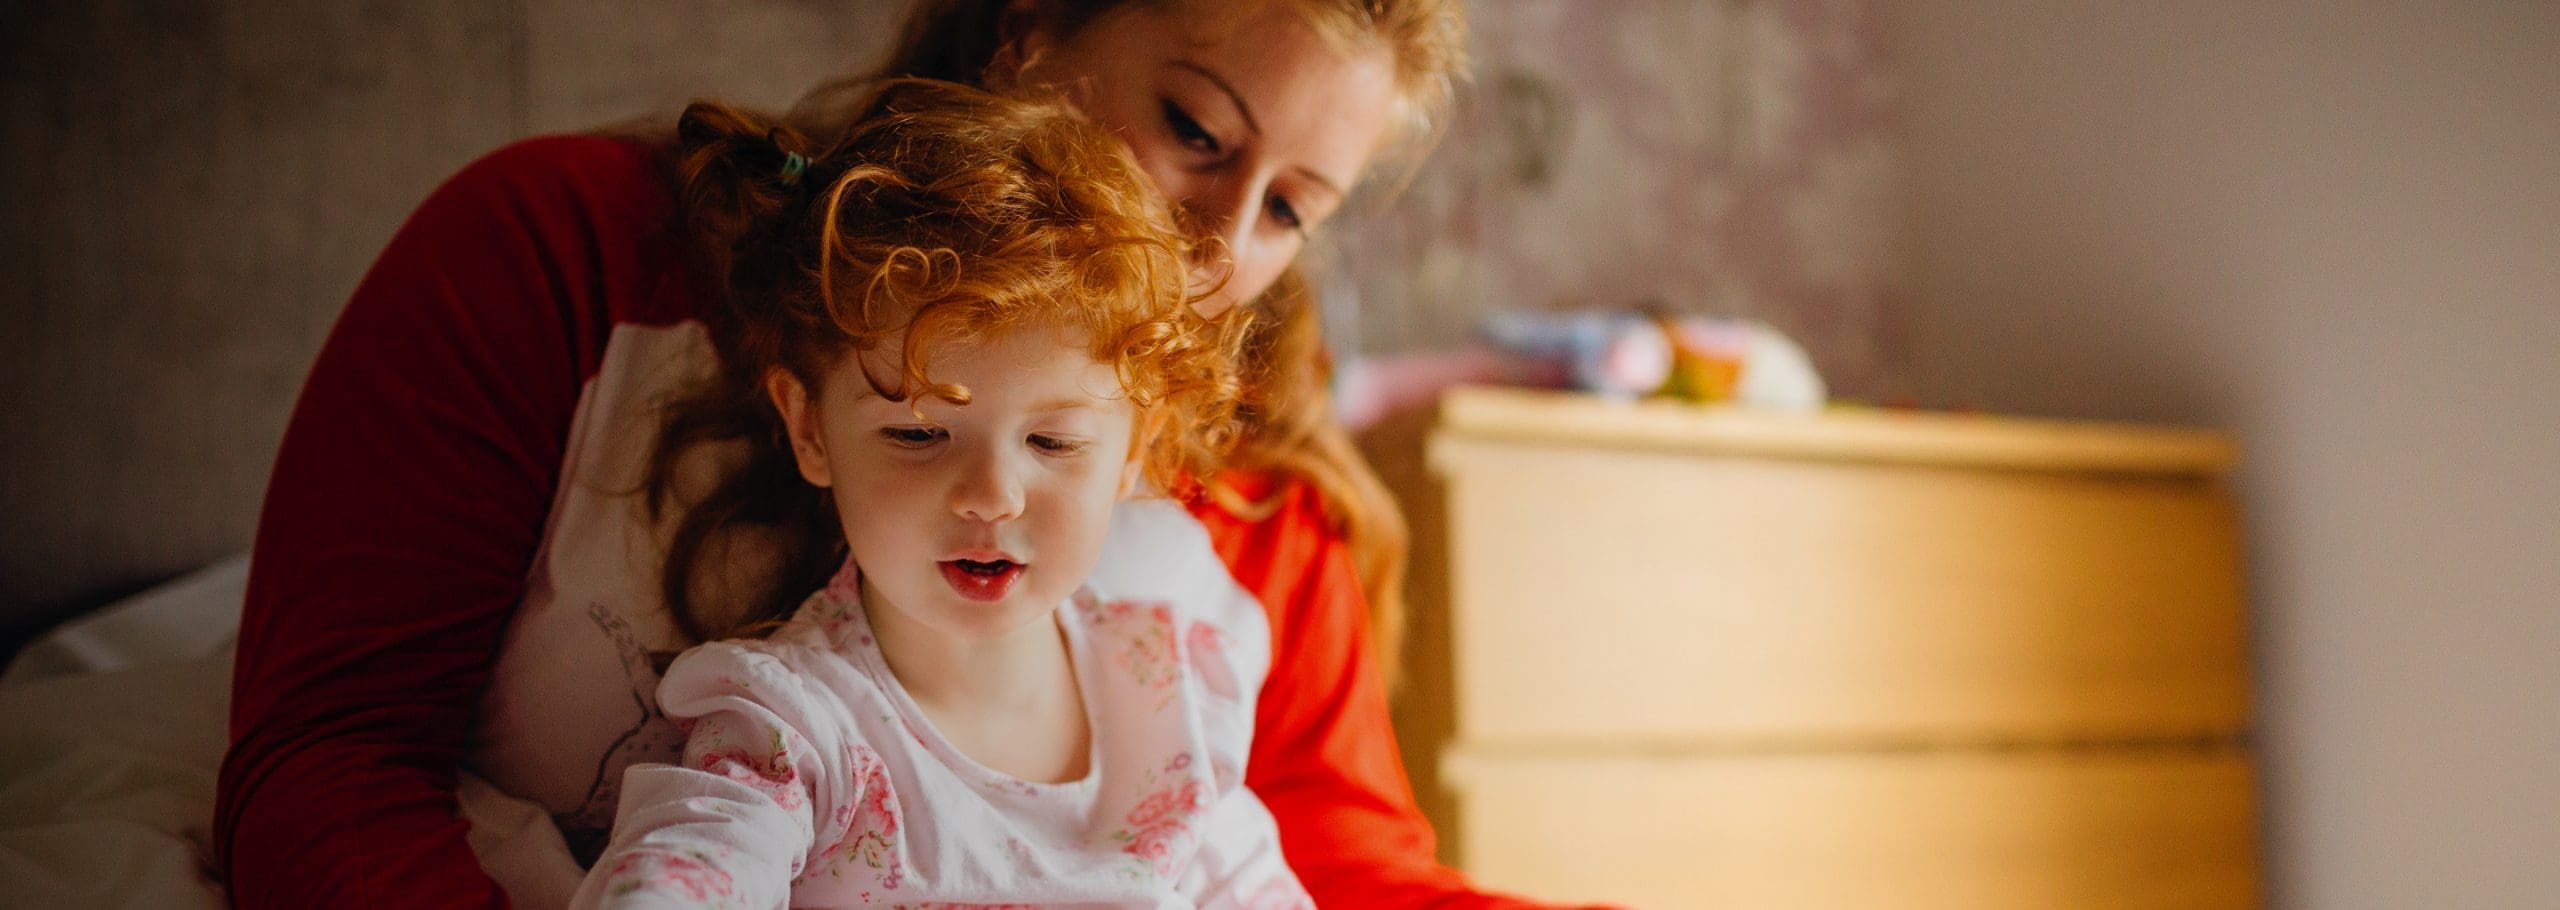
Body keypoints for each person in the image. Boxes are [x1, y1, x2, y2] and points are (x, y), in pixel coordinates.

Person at [217, 1, 1595, 908]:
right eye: (1193, 131)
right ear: (1030, 26)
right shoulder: (557, 252)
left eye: (1293, 205)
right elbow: (329, 755)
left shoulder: (1235, 516)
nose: (1221, 249)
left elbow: (1321, 859)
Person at [570, 79, 1303, 908]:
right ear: (809, 429)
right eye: (918, 434)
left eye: (1053, 442)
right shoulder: (793, 731)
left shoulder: (1167, 692)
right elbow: (689, 868)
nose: (991, 497)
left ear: (1134, 448)